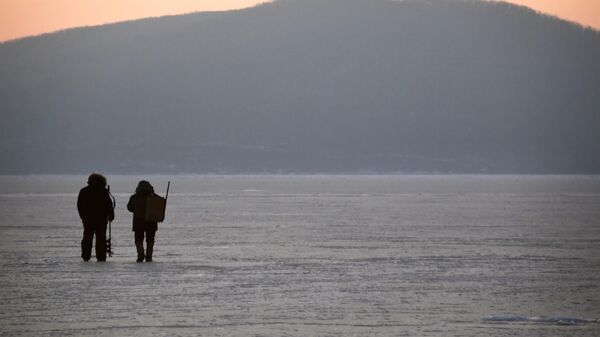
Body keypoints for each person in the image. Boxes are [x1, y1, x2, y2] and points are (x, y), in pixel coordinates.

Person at [77, 173, 115, 262]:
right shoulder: (103, 191)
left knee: (87, 237)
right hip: (101, 219)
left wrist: (82, 216)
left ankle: (86, 255)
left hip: (88, 218)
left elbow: (79, 205)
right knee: (101, 238)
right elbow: (108, 205)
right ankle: (101, 256)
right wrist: (111, 215)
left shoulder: (84, 191)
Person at [127, 181, 160, 262]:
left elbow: (130, 208)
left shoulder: (134, 197)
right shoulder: (155, 197)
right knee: (150, 239)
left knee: (138, 238)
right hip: (151, 220)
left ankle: (140, 255)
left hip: (138, 221)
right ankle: (149, 256)